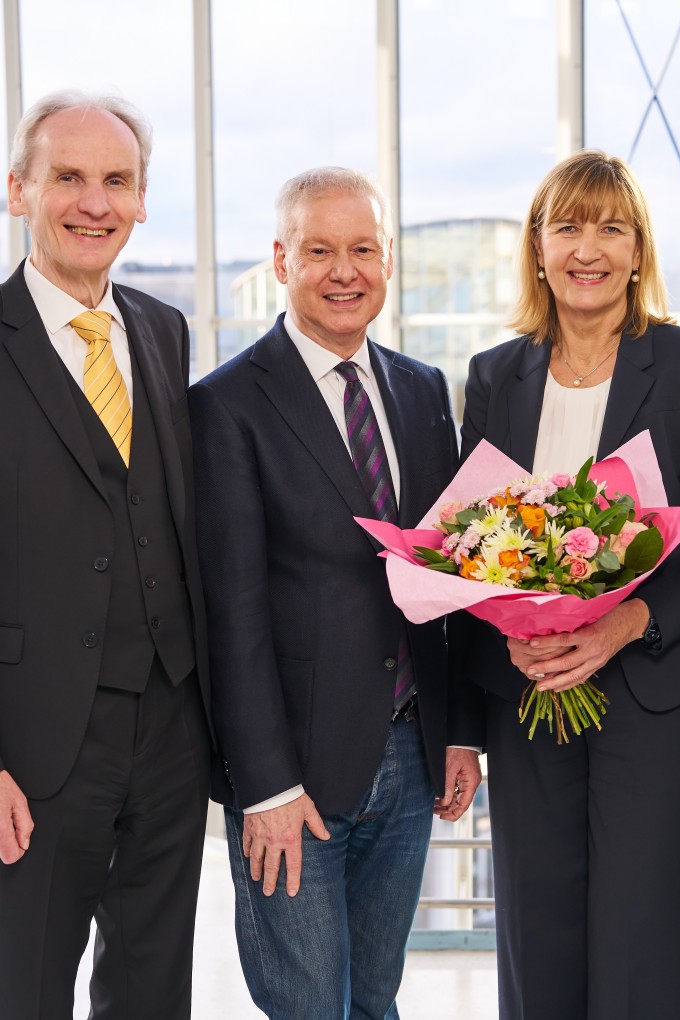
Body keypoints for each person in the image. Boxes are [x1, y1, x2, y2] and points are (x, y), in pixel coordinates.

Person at [189, 166, 484, 1019]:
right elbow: (232, 615)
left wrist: (460, 733)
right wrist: (265, 789)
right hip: (296, 778)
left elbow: (450, 576)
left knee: (376, 1000)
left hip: (412, 757)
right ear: (282, 260)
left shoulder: (424, 390)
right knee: (311, 1005)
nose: (344, 271)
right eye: (319, 251)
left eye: (362, 249)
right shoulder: (226, 404)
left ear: (388, 258)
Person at [456, 149, 680, 1019]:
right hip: (529, 695)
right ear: (538, 247)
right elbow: (468, 541)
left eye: (611, 229)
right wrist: (506, 646)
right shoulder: (495, 375)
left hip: (654, 699)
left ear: (638, 251)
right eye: (568, 228)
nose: (587, 249)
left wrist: (626, 622)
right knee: (535, 930)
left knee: (641, 938)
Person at [0, 91, 212, 1020]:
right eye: (70, 178)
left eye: (117, 181)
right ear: (19, 190)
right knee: (25, 988)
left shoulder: (163, 330)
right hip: (33, 747)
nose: (95, 203)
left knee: (154, 990)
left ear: (141, 200)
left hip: (171, 731)